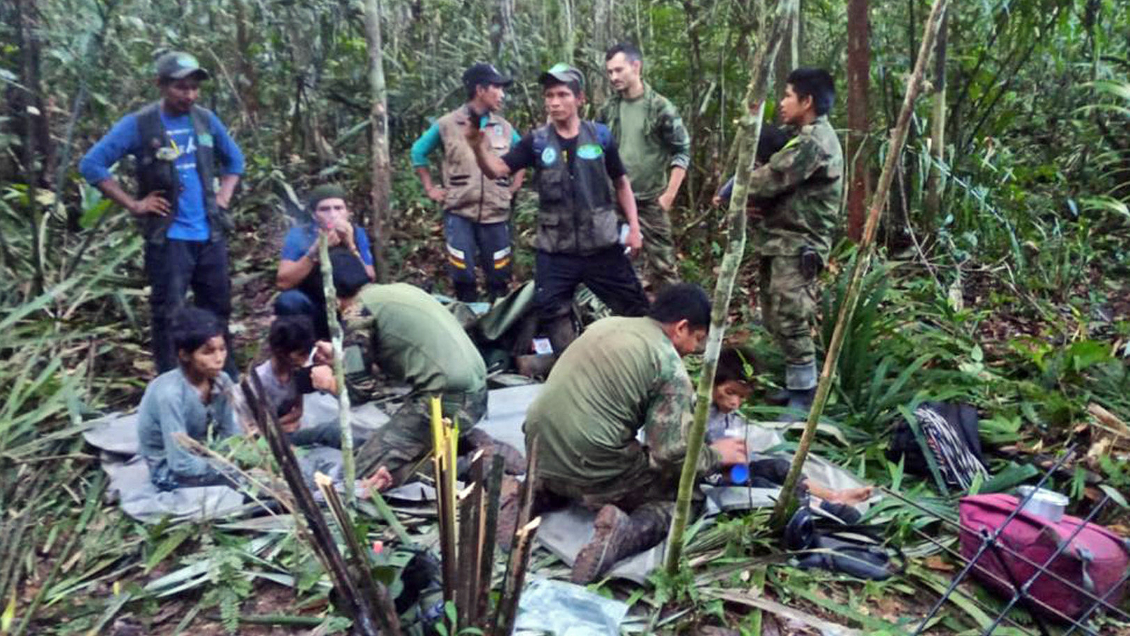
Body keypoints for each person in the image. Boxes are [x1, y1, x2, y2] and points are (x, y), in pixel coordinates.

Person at [523, 284, 749, 583]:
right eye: (697, 339)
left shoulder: (605, 325)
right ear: (681, 327)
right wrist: (716, 454)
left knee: (594, 451)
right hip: (591, 464)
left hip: (537, 449)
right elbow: (669, 455)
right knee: (687, 500)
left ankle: (534, 494)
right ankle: (624, 534)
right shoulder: (668, 365)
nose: (693, 350)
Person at [465, 63, 649, 355]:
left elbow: (621, 183)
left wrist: (634, 228)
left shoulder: (600, 136)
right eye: (549, 95)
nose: (554, 102)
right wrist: (477, 146)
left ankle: (640, 362)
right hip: (556, 249)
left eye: (562, 94)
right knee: (550, 307)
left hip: (601, 244)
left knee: (636, 307)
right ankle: (574, 364)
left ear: (580, 99)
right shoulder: (536, 142)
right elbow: (497, 169)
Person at [80, 51, 244, 377]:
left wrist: (223, 197)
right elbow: (92, 165)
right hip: (169, 238)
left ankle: (226, 377)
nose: (190, 95)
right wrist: (134, 204)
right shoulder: (140, 125)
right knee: (169, 313)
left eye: (194, 87)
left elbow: (235, 161)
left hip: (209, 233)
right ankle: (173, 381)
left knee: (218, 308)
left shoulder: (205, 120)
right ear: (160, 84)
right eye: (181, 88)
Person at [305, 253, 521, 490]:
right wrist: (342, 357)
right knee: (384, 447)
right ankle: (463, 441)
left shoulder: (357, 314)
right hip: (475, 393)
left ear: (332, 297)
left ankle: (468, 465)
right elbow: (396, 357)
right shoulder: (396, 291)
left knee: (360, 474)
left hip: (447, 400)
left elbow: (359, 392)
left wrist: (328, 382)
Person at [743, 68, 843, 419]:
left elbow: (770, 178)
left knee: (792, 317)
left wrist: (733, 190)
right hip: (780, 240)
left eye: (787, 96)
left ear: (807, 101)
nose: (782, 103)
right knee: (774, 314)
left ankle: (805, 395)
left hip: (799, 245)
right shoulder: (800, 135)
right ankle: (795, 383)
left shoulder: (814, 142)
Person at [411, 63, 526, 302]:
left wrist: (514, 187)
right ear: (480, 90)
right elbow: (418, 152)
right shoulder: (447, 124)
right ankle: (466, 322)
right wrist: (431, 188)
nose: (502, 94)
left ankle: (498, 325)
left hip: (496, 213)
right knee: (462, 273)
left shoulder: (504, 128)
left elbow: (522, 155)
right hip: (459, 212)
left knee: (499, 274)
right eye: (497, 88)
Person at [708, 347, 873, 504]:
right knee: (759, 485)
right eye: (730, 393)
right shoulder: (696, 413)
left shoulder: (727, 416)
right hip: (711, 477)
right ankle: (816, 506)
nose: (735, 403)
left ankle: (832, 496)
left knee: (779, 467)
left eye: (742, 397)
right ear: (711, 382)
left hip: (732, 471)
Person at [599, 43, 691, 293]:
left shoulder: (661, 108)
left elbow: (682, 150)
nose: (614, 77)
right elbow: (597, 151)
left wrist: (668, 196)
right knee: (619, 266)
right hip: (616, 202)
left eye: (618, 70)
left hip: (651, 201)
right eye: (609, 72)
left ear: (636, 66)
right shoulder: (608, 110)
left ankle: (674, 323)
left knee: (664, 268)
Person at [137, 307, 242, 490]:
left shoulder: (222, 381)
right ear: (184, 355)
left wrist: (239, 457)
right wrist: (227, 467)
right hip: (170, 469)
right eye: (208, 352)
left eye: (222, 349)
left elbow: (231, 434)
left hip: (208, 455)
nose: (219, 359)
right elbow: (180, 463)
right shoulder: (170, 394)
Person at [275, 185, 376, 339]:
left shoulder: (357, 233)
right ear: (315, 215)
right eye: (325, 209)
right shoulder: (300, 235)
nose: (333, 214)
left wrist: (350, 245)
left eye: (338, 208)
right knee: (289, 301)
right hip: (314, 302)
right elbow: (283, 282)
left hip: (349, 304)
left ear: (347, 212)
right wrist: (315, 251)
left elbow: (370, 277)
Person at [250, 315, 341, 448]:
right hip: (267, 442)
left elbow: (298, 412)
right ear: (280, 351)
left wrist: (277, 425)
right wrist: (278, 428)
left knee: (333, 430)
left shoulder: (296, 373)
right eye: (300, 355)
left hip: (286, 431)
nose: (305, 360)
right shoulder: (260, 381)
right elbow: (253, 427)